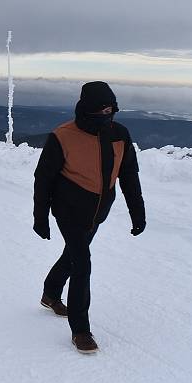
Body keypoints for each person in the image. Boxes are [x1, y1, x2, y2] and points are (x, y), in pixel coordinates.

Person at [33, 81, 145, 354]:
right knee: (82, 263)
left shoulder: (120, 134)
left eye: (110, 109)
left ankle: (50, 293)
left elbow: (128, 174)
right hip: (68, 209)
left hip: (98, 211)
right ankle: (80, 330)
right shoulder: (63, 136)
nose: (106, 114)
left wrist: (137, 211)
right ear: (85, 109)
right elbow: (44, 178)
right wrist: (41, 217)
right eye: (100, 110)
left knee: (73, 256)